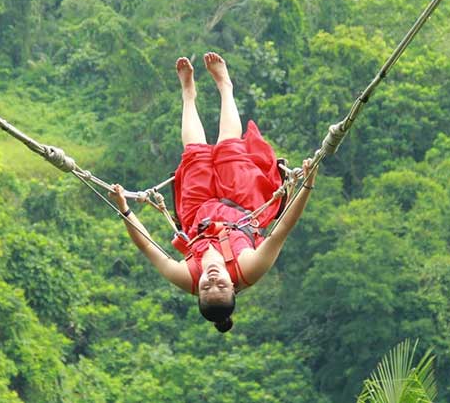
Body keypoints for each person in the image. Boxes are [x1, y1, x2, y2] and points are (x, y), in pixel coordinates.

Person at [109, 52, 317, 333]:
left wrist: (124, 209)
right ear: (233, 287)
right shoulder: (248, 270)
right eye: (220, 285)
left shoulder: (188, 277)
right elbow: (282, 230)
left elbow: (147, 246)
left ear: (199, 291)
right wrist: (308, 183)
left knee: (195, 154)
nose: (213, 280)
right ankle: (224, 85)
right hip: (243, 208)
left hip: (198, 215)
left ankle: (188, 93)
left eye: (207, 287)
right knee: (229, 148)